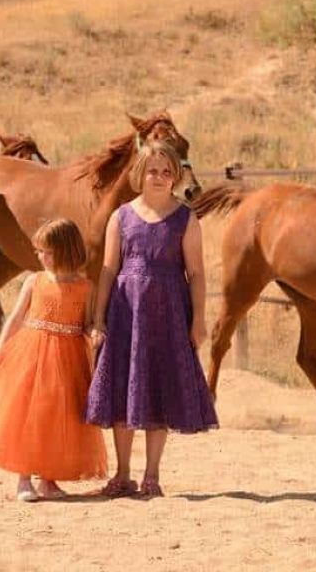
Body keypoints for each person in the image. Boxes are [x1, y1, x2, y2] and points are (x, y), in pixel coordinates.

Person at [86, 140, 217, 499]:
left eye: (166, 171)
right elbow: (109, 269)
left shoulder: (185, 217)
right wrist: (98, 318)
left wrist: (199, 320)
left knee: (158, 389)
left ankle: (152, 476)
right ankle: (122, 473)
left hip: (169, 313)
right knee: (122, 391)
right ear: (139, 174)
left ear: (175, 175)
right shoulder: (121, 216)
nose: (159, 177)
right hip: (125, 312)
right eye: (152, 171)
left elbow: (198, 273)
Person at [0, 218, 108, 501]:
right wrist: (1, 347)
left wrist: (95, 330)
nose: (40, 257)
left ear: (66, 251)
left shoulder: (86, 287)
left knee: (57, 417)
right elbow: (15, 318)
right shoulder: (34, 281)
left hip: (68, 360)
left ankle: (48, 481)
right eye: (39, 251)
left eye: (46, 252)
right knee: (28, 414)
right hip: (32, 354)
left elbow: (85, 323)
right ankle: (23, 479)